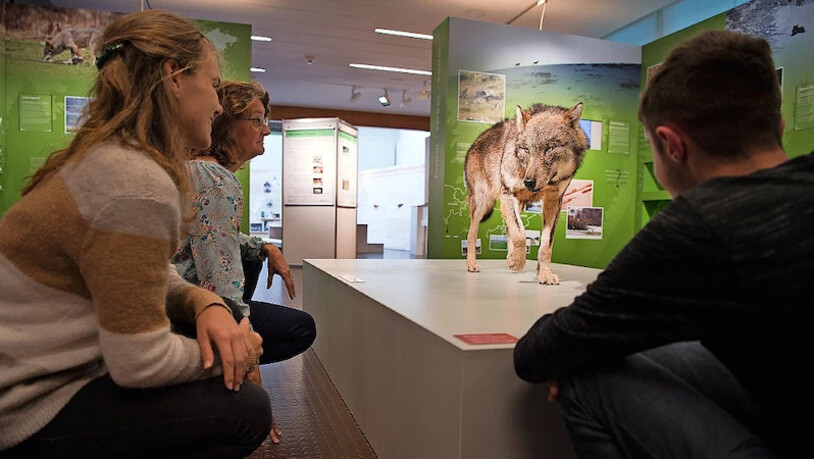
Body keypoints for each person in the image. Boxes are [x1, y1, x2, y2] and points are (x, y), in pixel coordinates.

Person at [514, 29, 812, 459]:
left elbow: (538, 354)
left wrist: (578, 348)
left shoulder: (700, 224)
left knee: (586, 375)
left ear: (672, 146)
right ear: (779, 128)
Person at [0, 10, 270, 458]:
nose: (219, 105)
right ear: (175, 77)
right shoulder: (136, 183)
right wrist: (237, 352)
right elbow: (139, 361)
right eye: (214, 85)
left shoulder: (111, 161)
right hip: (27, 404)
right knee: (246, 410)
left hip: (33, 378)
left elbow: (139, 273)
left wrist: (202, 302)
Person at [172, 80, 317, 442]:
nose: (266, 129)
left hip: (171, 303)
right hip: (186, 312)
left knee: (249, 260)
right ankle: (216, 382)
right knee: (301, 328)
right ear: (225, 124)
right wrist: (253, 376)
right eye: (256, 120)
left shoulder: (194, 170)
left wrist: (265, 247)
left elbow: (208, 232)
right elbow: (221, 282)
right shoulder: (217, 181)